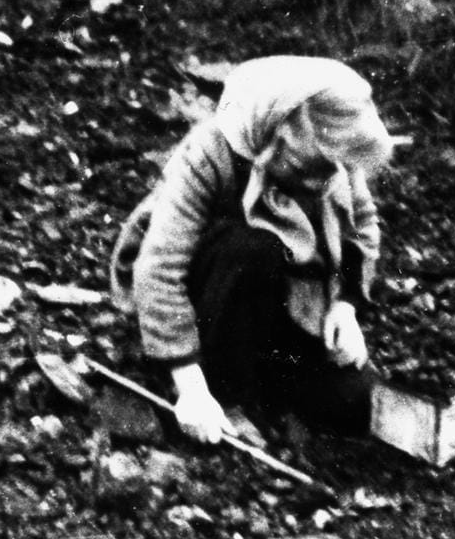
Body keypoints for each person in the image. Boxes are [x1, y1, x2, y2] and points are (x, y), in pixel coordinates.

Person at [107, 55, 395, 444]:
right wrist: (190, 387)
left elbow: (363, 228)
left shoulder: (332, 160)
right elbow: (158, 269)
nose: (317, 183)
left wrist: (345, 306)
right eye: (304, 165)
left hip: (287, 300)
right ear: (276, 130)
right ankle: (224, 392)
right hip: (210, 297)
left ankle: (264, 381)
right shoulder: (211, 152)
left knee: (359, 405)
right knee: (254, 249)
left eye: (328, 171)